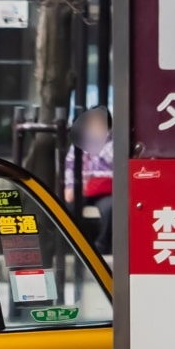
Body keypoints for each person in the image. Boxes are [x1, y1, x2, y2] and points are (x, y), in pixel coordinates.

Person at [73, 106, 113, 256]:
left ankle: (101, 246)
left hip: (105, 191)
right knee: (68, 206)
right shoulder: (80, 142)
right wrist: (71, 186)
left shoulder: (115, 144)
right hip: (82, 188)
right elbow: (70, 166)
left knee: (110, 208)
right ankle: (74, 244)